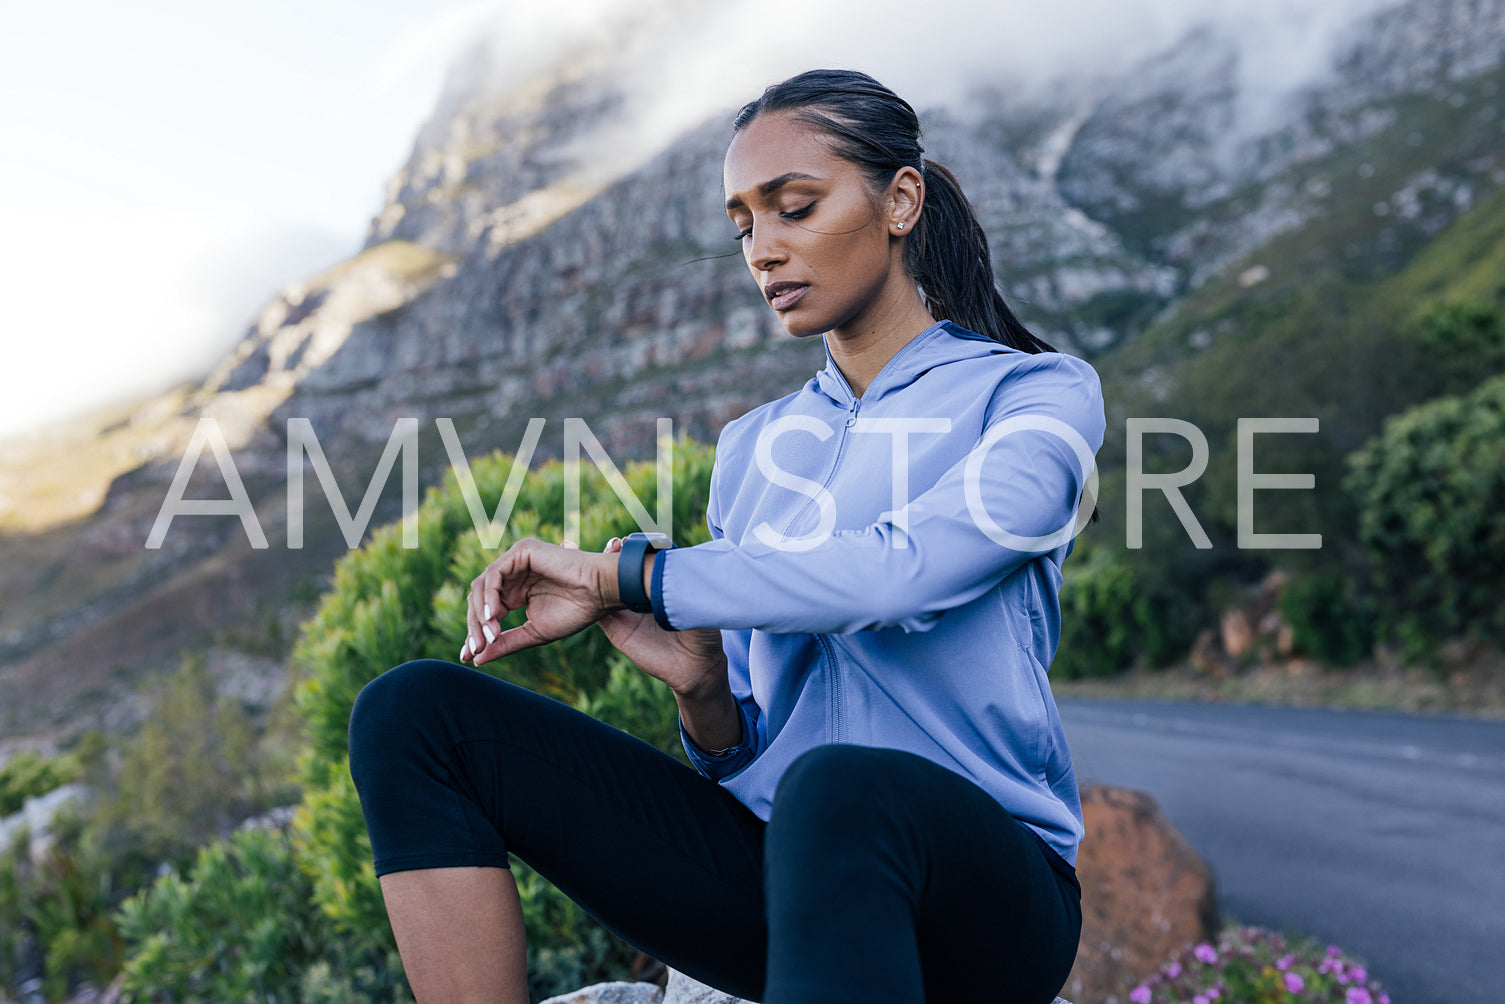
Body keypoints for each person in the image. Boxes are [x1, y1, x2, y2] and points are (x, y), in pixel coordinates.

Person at [347, 68, 1104, 1004]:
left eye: (795, 207)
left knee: (840, 791)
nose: (763, 250)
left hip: (982, 900)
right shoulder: (753, 448)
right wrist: (704, 693)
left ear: (899, 200)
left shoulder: (1036, 396)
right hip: (785, 879)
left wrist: (632, 576)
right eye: (744, 225)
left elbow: (897, 574)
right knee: (416, 714)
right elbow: (739, 746)